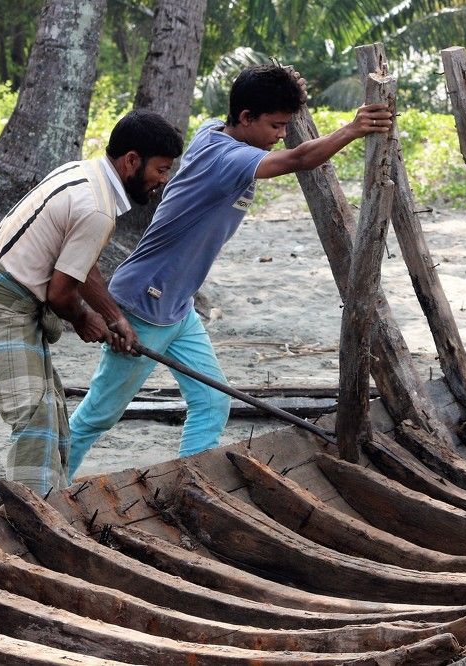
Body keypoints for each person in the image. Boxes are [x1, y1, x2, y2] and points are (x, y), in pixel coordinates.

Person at [66, 65, 392, 482]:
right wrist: (352, 129)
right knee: (99, 415)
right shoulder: (227, 156)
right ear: (244, 118)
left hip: (179, 308)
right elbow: (299, 158)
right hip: (142, 305)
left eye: (286, 124)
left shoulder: (213, 130)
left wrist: (284, 86)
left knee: (211, 402)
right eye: (275, 125)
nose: (280, 133)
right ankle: (43, 489)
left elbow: (276, 128)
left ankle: (191, 483)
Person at [0, 109, 183, 495]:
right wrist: (85, 320)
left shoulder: (84, 174)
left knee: (55, 411)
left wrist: (114, 318)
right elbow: (61, 294)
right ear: (131, 161)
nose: (163, 180)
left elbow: (80, 268)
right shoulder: (97, 208)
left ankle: (51, 501)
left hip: (11, 308)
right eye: (161, 169)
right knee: (36, 418)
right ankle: (35, 519)